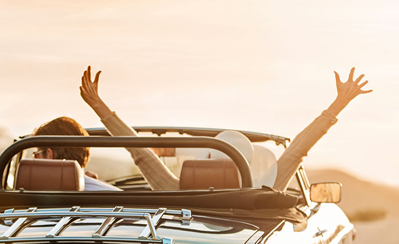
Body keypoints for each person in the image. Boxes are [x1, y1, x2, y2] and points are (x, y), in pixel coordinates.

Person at [80, 66, 372, 193]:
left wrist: (100, 107)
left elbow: (140, 152)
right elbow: (298, 149)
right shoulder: (265, 192)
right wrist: (338, 104)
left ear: (204, 162)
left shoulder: (175, 191)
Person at [32, 116, 122, 191]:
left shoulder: (25, 197)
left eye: (36, 156)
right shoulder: (118, 197)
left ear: (49, 155)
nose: (34, 161)